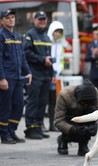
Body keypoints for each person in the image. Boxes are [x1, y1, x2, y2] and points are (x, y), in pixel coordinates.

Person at [0, 9, 32, 144]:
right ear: (2, 21)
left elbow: (23, 57)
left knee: (19, 105)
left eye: (12, 17)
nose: (11, 19)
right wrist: (2, 78)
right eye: (7, 18)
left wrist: (28, 72)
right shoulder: (1, 36)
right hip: (7, 77)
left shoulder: (18, 37)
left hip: (18, 77)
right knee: (5, 107)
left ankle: (12, 131)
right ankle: (4, 134)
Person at [23, 11, 55, 139]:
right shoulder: (29, 35)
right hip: (34, 74)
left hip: (46, 75)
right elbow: (27, 53)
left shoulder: (47, 38)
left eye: (44, 19)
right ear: (34, 20)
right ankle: (30, 128)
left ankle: (38, 127)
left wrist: (52, 73)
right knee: (33, 101)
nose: (42, 21)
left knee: (42, 102)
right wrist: (42, 60)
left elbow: (50, 58)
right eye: (39, 19)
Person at [54, 80, 98, 156]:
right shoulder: (64, 95)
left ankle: (83, 143)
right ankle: (63, 139)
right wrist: (73, 129)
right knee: (75, 131)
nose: (85, 105)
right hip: (70, 119)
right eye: (84, 103)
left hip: (85, 117)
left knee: (92, 112)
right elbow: (58, 121)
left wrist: (95, 126)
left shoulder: (95, 93)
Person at [47, 20, 71, 132]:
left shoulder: (62, 43)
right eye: (56, 31)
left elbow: (68, 49)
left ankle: (54, 124)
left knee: (57, 101)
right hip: (49, 75)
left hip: (58, 76)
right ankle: (46, 124)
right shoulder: (47, 42)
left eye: (60, 32)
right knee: (48, 101)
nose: (57, 34)